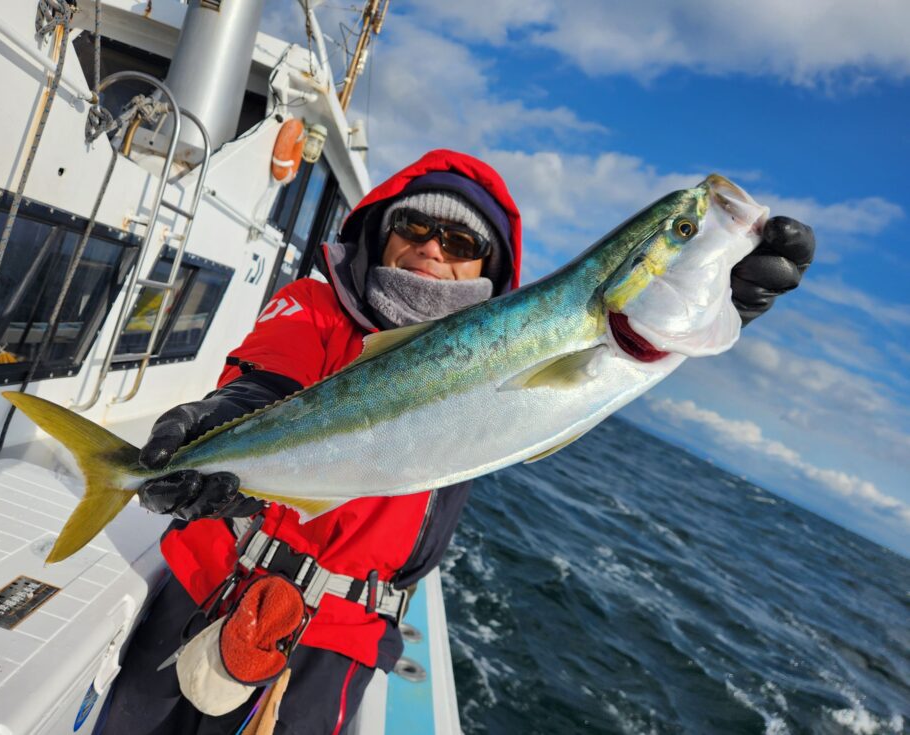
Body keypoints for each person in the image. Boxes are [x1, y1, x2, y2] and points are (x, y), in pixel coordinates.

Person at [99, 149, 815, 734]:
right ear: (381, 231)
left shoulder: (535, 341)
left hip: (336, 642)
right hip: (208, 587)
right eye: (413, 224)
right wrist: (209, 427)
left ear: (489, 272)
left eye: (462, 241)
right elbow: (265, 381)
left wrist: (721, 291)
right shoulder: (319, 306)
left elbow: (615, 357)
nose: (431, 246)